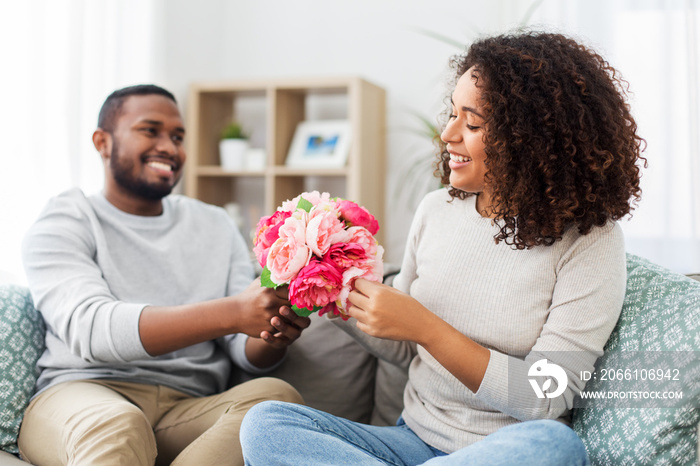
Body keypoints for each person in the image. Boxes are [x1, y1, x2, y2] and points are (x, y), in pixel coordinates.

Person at [240, 31, 646, 465]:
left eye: (472, 124)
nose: (448, 133)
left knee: (554, 447)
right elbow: (405, 347)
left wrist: (427, 327)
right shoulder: (436, 210)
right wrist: (328, 285)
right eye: (452, 114)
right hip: (408, 443)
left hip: (499, 452)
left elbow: (546, 396)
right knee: (266, 424)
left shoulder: (590, 240)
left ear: (532, 140)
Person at [19, 84, 311, 466]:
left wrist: (273, 329)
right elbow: (92, 330)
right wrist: (235, 313)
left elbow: (243, 351)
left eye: (177, 137)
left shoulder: (214, 224)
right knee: (119, 425)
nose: (170, 148)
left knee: (276, 398)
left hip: (185, 407)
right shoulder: (66, 219)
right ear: (103, 142)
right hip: (83, 394)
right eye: (150, 130)